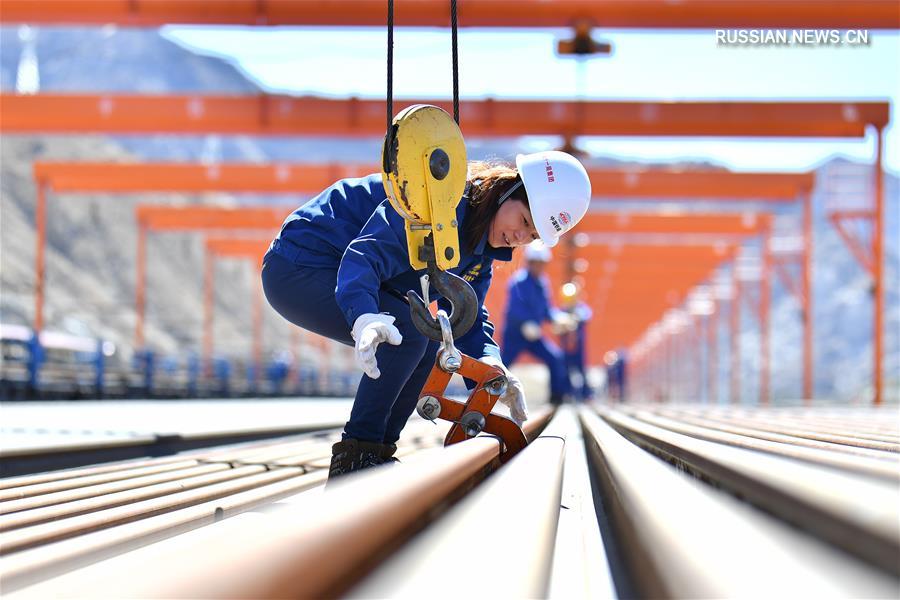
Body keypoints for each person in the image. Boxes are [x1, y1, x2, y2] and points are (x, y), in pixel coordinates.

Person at [262, 151, 591, 481]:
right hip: (299, 264)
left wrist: (492, 366)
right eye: (523, 222)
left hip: (344, 272)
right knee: (408, 336)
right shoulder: (436, 206)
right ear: (504, 191)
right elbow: (366, 254)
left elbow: (467, 315)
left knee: (420, 339)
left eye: (532, 235)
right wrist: (362, 314)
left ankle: (375, 454)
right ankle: (355, 459)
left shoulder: (478, 250)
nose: (520, 238)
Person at [500, 241, 577, 405]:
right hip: (515, 335)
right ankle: (485, 394)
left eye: (542, 263)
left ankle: (557, 398)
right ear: (530, 262)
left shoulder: (542, 284)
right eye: (537, 263)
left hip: (534, 336)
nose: (540, 266)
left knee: (555, 358)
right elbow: (513, 309)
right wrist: (525, 323)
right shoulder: (518, 282)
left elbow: (546, 310)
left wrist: (559, 318)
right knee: (501, 366)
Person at [558, 282, 594, 401]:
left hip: (579, 349)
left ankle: (586, 394)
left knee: (582, 371)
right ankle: (567, 393)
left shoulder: (581, 309)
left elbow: (587, 315)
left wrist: (576, 317)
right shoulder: (562, 311)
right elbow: (556, 324)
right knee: (565, 371)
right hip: (566, 349)